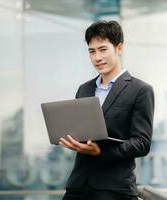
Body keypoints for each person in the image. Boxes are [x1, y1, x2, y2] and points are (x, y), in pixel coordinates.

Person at [59, 20, 154, 200]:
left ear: (119, 48)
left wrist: (101, 152)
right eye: (92, 51)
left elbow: (142, 143)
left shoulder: (140, 90)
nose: (97, 57)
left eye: (103, 49)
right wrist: (72, 139)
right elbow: (81, 132)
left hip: (114, 188)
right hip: (78, 186)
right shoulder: (84, 89)